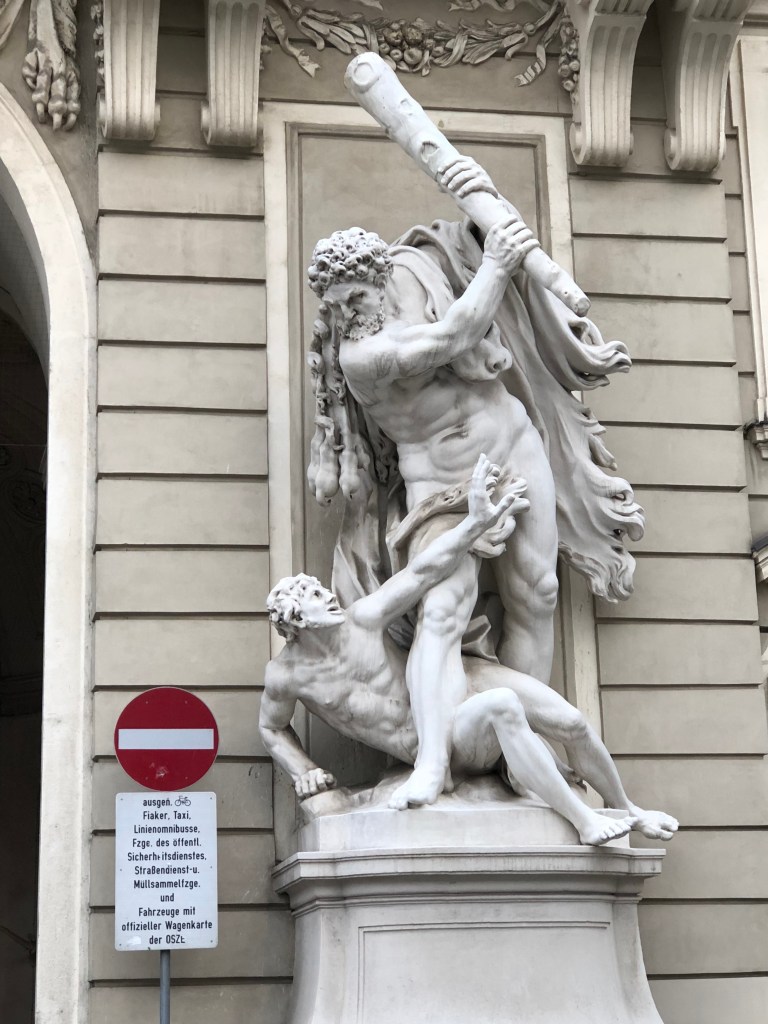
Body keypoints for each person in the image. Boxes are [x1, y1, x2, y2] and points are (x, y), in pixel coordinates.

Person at [306, 157, 645, 808]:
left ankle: (522, 757)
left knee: (538, 593)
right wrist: (497, 262)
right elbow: (455, 335)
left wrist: (484, 231)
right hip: (440, 489)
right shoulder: (362, 356)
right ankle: (437, 759)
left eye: (358, 297)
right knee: (441, 614)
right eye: (338, 305)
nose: (350, 312)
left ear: (379, 279)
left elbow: (459, 275)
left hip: (513, 446)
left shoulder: (411, 282)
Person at [261, 455, 678, 843]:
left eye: (320, 589)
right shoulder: (287, 677)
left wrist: (476, 524)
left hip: (454, 688)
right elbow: (271, 728)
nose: (327, 596)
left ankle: (628, 809)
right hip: (434, 739)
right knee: (502, 705)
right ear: (295, 621)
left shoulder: (362, 621)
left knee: (572, 722)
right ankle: (584, 820)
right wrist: (304, 770)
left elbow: (421, 572)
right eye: (313, 596)